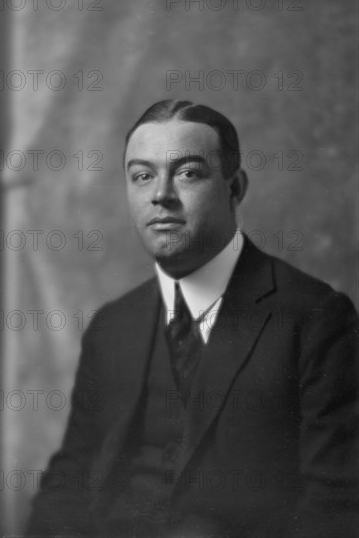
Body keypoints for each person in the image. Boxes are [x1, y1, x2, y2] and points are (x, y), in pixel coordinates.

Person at [26, 100, 358, 538]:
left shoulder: (314, 317)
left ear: (234, 188)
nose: (160, 194)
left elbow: (334, 508)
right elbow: (68, 481)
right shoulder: (112, 326)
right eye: (142, 176)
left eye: (188, 173)